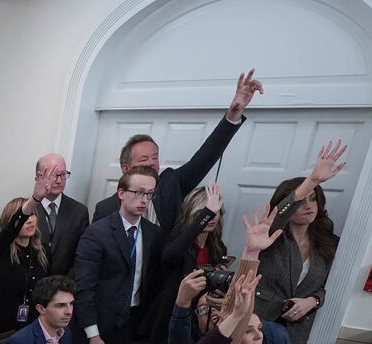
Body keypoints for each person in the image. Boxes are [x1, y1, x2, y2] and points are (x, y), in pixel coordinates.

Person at [91, 69, 262, 240]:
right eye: (144, 159)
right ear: (126, 168)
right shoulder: (106, 209)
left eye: (155, 157)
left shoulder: (171, 184)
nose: (152, 163)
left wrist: (233, 114)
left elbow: (207, 155)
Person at [253, 141, 347, 344]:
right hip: (260, 324)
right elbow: (282, 211)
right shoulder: (272, 233)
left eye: (314, 199)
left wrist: (313, 301)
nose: (309, 206)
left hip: (296, 331)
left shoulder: (327, 243)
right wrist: (313, 180)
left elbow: (326, 286)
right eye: (304, 200)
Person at [75, 167, 161, 344]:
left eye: (149, 194)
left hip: (137, 323)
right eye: (138, 192)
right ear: (121, 193)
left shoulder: (153, 233)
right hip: (101, 324)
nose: (144, 199)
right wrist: (92, 333)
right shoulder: (97, 232)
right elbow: (84, 286)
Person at [139, 182, 227, 344]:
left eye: (217, 212)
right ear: (193, 213)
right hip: (166, 319)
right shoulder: (175, 240)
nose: (212, 217)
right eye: (204, 213)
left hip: (197, 321)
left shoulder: (217, 248)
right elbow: (171, 255)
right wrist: (207, 213)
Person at [0, 194, 50, 336]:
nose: (30, 220)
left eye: (33, 214)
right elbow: (8, 233)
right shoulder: (0, 251)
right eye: (25, 216)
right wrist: (34, 199)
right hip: (3, 327)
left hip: (34, 325)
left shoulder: (43, 251)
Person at [29, 153, 88, 277]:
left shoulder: (79, 211)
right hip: (29, 286)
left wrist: (65, 286)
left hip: (64, 286)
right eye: (54, 175)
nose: (59, 181)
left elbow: (82, 255)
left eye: (63, 175)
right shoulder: (26, 210)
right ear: (39, 177)